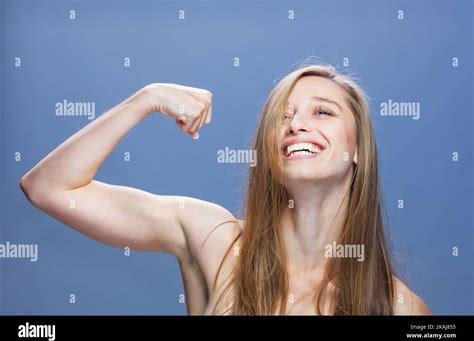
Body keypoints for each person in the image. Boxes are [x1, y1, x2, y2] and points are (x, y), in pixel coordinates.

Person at [20, 64, 431, 315]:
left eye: (322, 111)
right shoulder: (214, 239)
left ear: (358, 148)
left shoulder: (397, 306)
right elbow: (47, 187)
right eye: (282, 116)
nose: (296, 125)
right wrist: (147, 98)